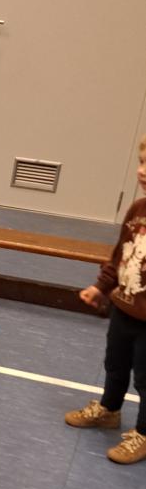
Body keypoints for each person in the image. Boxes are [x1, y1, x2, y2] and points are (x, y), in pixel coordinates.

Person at [65, 137, 146, 463]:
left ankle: (144, 434)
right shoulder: (137, 210)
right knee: (115, 364)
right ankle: (109, 410)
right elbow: (119, 257)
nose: (142, 171)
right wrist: (101, 287)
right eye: (141, 162)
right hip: (123, 308)